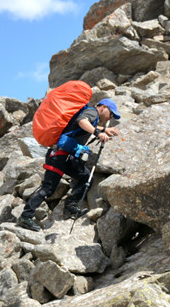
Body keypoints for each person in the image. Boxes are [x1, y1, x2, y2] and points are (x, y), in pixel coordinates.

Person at [17, 98, 121, 231]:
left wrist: (103, 129)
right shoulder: (92, 112)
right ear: (104, 107)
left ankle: (70, 206)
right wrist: (98, 133)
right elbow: (82, 121)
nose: (110, 118)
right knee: (48, 189)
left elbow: (82, 124)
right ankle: (25, 216)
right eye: (111, 114)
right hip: (59, 156)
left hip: (67, 157)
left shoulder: (92, 116)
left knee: (86, 176)